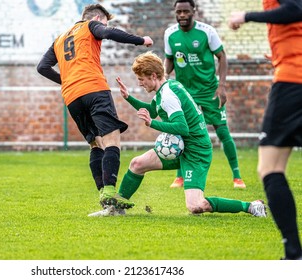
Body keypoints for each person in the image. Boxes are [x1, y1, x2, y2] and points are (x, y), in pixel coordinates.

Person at [91, 51, 267, 218]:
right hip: (181, 145)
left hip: (196, 150)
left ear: (153, 76)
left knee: (196, 206)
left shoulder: (167, 95)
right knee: (137, 164)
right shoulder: (166, 88)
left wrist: (152, 124)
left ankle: (251, 206)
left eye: (141, 79)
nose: (139, 83)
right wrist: (129, 97)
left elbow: (183, 128)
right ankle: (116, 209)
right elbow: (152, 111)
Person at [37, 4, 153, 212]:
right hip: (94, 89)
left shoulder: (60, 39)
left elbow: (42, 67)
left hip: (72, 97)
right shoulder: (91, 25)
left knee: (95, 144)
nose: (104, 27)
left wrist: (66, 81)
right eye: (104, 22)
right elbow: (108, 33)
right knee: (112, 140)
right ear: (98, 19)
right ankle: (109, 191)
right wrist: (141, 40)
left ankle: (103, 194)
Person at [228, 0, 302, 260]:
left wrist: (246, 15)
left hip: (293, 83)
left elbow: (295, 10)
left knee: (270, 168)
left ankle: (293, 254)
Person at [164, 0, 246, 189]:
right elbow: (169, 60)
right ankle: (180, 176)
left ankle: (237, 176)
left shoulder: (206, 32)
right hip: (184, 93)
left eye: (186, 11)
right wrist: (164, 77)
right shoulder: (170, 33)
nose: (182, 15)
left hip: (209, 91)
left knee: (222, 131)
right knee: (182, 132)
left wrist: (222, 85)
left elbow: (222, 56)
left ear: (194, 11)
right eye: (179, 12)